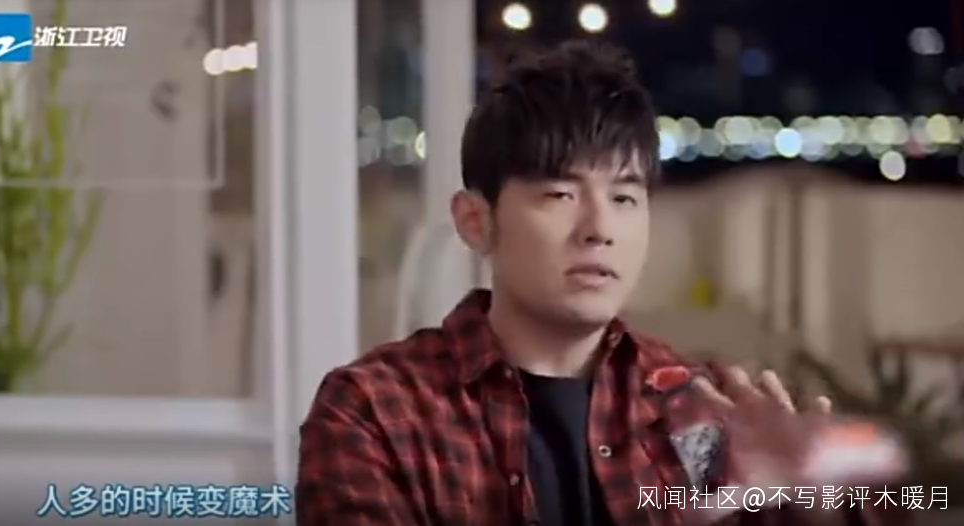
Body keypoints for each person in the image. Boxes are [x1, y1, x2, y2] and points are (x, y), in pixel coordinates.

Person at [297, 41, 901, 526]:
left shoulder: (693, 410)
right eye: (560, 195)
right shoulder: (375, 413)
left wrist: (812, 502)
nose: (599, 229)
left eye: (623, 197)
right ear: (475, 221)